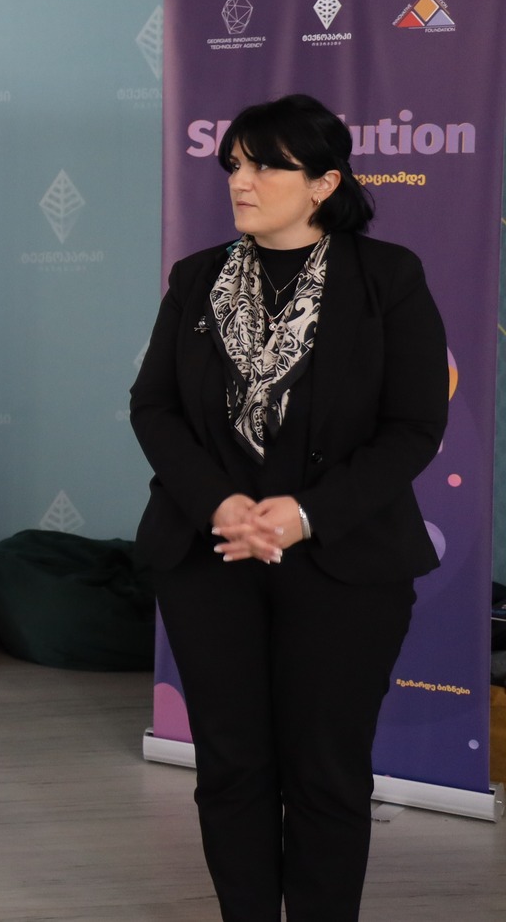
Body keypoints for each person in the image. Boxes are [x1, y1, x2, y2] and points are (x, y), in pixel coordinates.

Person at [129, 93, 445, 922]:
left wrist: (304, 514)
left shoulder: (388, 278)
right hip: (210, 556)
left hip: (345, 561)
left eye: (267, 164)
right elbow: (153, 406)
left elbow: (415, 426)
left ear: (324, 183)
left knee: (326, 772)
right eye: (235, 163)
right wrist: (220, 502)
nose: (242, 179)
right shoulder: (196, 277)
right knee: (231, 766)